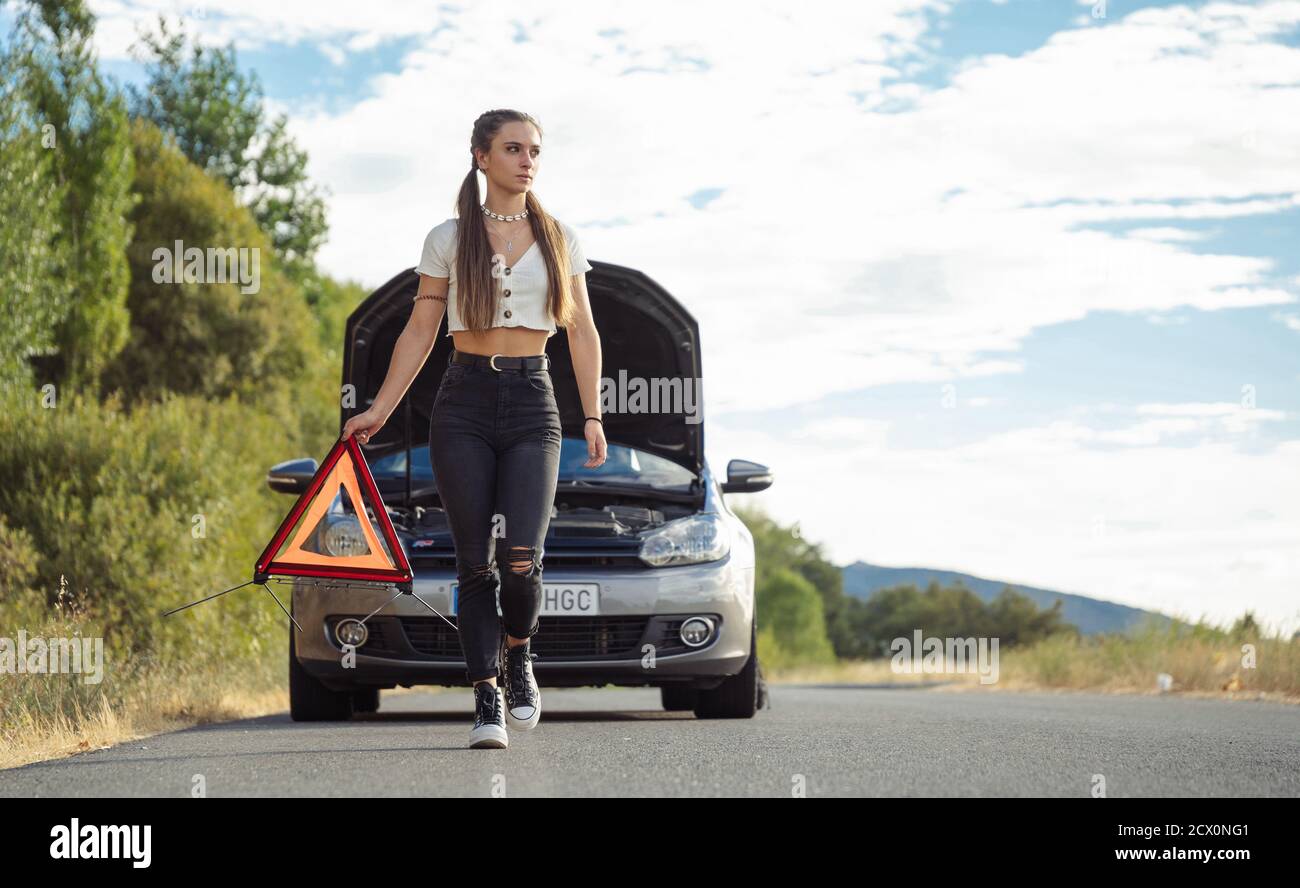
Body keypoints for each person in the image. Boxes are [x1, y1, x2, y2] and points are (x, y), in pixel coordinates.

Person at [340, 109, 607, 749]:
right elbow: (421, 331)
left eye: (535, 150)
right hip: (462, 400)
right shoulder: (448, 237)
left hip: (533, 401)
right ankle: (485, 694)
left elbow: (583, 332)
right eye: (513, 148)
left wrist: (592, 413)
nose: (527, 160)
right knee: (473, 565)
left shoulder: (561, 237)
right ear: (482, 157)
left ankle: (520, 653)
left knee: (521, 559)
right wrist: (379, 407)